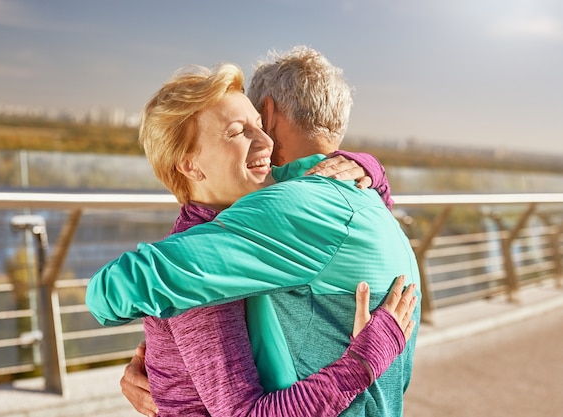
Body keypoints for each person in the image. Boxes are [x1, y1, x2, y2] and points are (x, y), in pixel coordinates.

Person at [87, 48, 421, 416]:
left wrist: (369, 166)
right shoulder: (207, 269)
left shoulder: (267, 221)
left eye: (260, 125)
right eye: (238, 132)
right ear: (189, 164)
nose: (265, 143)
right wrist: (362, 362)